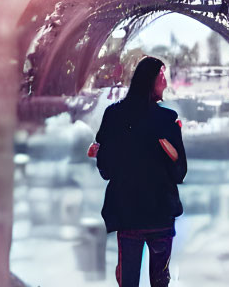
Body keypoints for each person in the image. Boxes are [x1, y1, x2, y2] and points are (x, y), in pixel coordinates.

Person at [94, 55, 187, 287]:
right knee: (160, 281)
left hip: (128, 215)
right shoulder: (168, 120)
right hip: (161, 215)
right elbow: (179, 173)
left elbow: (105, 170)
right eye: (162, 76)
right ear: (150, 81)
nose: (165, 83)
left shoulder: (113, 116)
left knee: (128, 282)